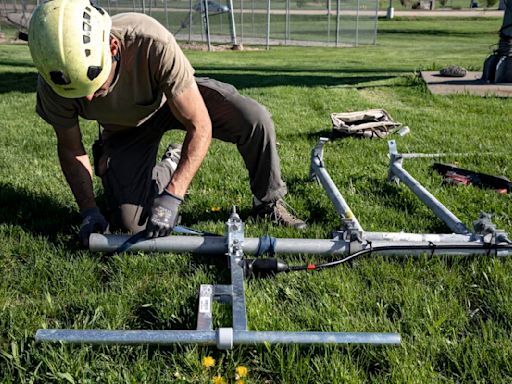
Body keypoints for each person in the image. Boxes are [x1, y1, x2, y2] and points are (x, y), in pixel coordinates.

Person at [27, 0, 306, 247]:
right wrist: (88, 211)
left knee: (253, 119)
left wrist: (173, 196)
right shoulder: (55, 79)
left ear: (112, 47)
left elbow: (199, 123)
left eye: (95, 81)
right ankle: (171, 161)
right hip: (125, 130)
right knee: (130, 223)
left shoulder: (150, 40)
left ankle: (267, 202)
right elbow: (71, 149)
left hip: (173, 99)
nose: (88, 96)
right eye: (77, 91)